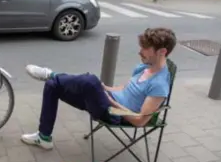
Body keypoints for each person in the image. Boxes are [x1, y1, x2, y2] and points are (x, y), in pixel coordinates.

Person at [21, 27, 177, 150]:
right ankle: (44, 137)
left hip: (115, 113)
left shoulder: (159, 84)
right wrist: (105, 88)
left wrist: (110, 101)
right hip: (107, 100)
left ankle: (52, 74)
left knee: (91, 81)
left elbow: (140, 120)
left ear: (162, 52)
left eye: (145, 48)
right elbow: (125, 88)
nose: (140, 51)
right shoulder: (144, 67)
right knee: (53, 86)